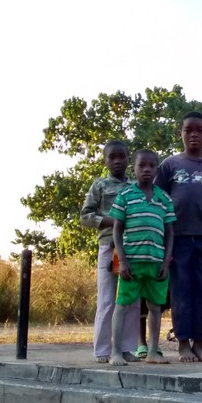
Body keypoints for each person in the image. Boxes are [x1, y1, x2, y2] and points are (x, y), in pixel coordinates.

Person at [154, 111, 202, 363]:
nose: (194, 135)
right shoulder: (169, 165)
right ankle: (183, 343)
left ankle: (199, 344)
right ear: (181, 133)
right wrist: (164, 244)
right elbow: (158, 202)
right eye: (188, 130)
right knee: (181, 290)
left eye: (199, 130)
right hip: (178, 238)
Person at [108, 149, 175, 365]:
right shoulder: (125, 196)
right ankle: (116, 352)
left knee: (155, 307)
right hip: (131, 262)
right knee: (122, 305)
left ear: (157, 169)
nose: (146, 169)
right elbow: (117, 230)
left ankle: (153, 351)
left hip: (156, 263)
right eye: (141, 166)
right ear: (134, 169)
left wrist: (166, 260)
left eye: (151, 166)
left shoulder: (164, 198)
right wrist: (123, 260)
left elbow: (170, 232)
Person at [80, 140, 140, 364]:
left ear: (128, 159)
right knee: (107, 299)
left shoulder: (135, 187)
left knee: (131, 300)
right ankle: (103, 350)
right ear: (105, 160)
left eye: (121, 157)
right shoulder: (100, 185)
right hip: (109, 247)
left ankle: (127, 348)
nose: (117, 161)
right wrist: (112, 221)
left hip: (133, 248)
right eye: (112, 157)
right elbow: (85, 216)